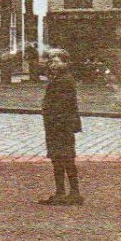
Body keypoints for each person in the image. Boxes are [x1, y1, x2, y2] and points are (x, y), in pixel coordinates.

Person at [40, 49, 83, 205]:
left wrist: (53, 118)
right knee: (60, 158)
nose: (52, 64)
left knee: (63, 158)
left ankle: (70, 193)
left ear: (65, 63)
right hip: (58, 124)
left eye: (56, 61)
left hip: (60, 125)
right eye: (51, 61)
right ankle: (65, 192)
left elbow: (63, 105)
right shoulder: (60, 78)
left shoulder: (64, 80)